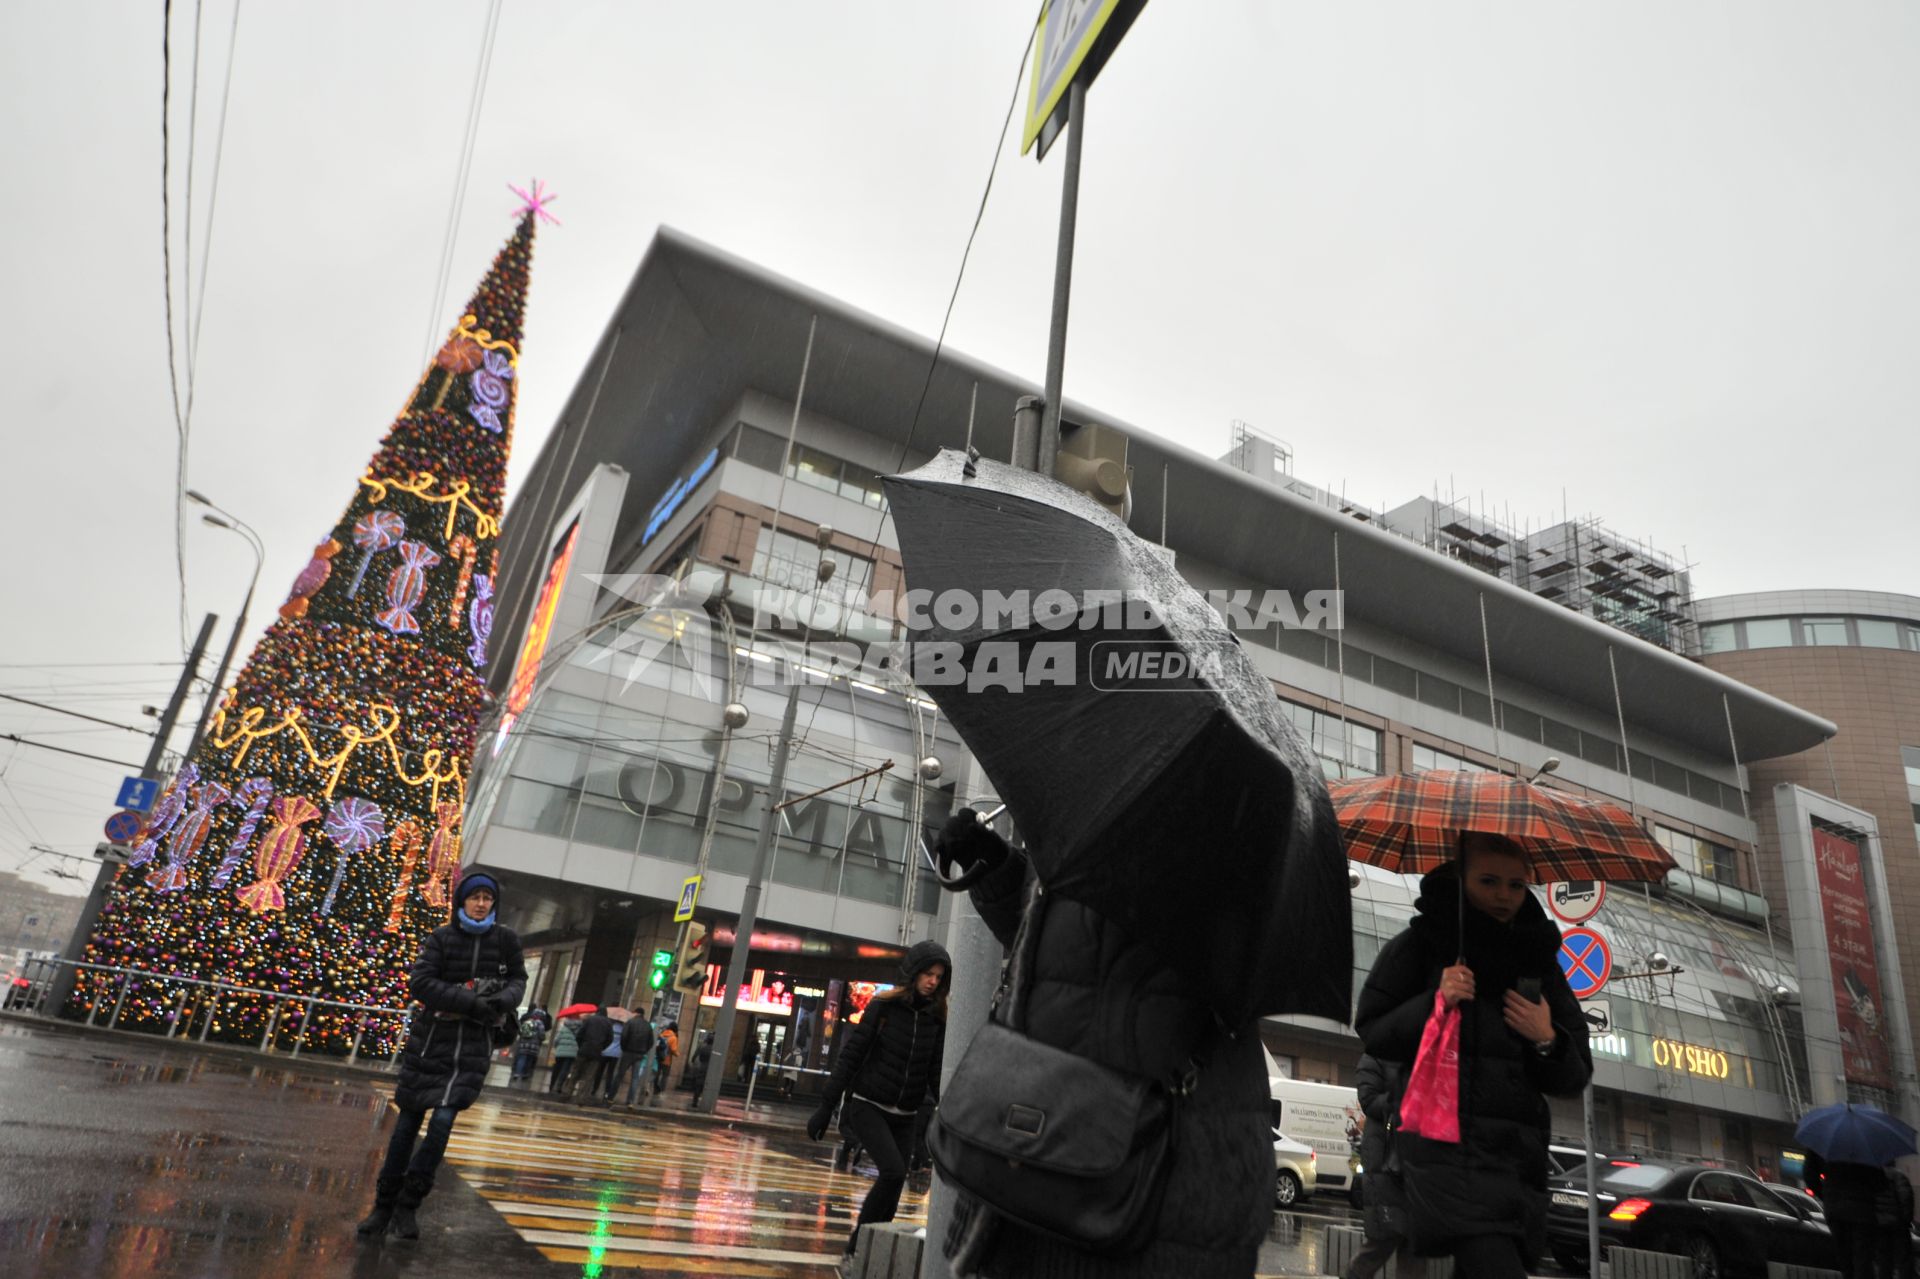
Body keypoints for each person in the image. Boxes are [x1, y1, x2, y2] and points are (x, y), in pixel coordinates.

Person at [931, 811, 1273, 1278]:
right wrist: (994, 865)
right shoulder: (1103, 814)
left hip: (1141, 1178)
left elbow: (1116, 964)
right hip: (1056, 1160)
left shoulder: (1216, 837)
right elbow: (1065, 954)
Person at [1355, 834, 1592, 1278]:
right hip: (1447, 1153)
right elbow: (1374, 1030)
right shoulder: (1423, 943)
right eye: (1489, 881)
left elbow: (1573, 1075)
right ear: (1461, 878)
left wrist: (1546, 1038)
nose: (1504, 895)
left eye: (1516, 885)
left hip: (1518, 1159)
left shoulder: (1538, 958)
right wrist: (1435, 1001)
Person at [356, 872, 525, 1241]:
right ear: (461, 901)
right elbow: (421, 983)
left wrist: (501, 1001)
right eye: (474, 897)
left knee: (443, 1122)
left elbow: (518, 981)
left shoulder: (506, 940)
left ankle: (408, 1206)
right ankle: (383, 1206)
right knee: (406, 1124)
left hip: (471, 1050)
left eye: (487, 898)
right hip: (431, 1043)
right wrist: (471, 1001)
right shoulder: (442, 938)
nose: (481, 904)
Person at [807, 940, 951, 1261]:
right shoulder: (883, 1007)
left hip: (906, 1113)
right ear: (913, 972)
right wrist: (826, 1107)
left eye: (939, 977)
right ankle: (856, 1250)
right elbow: (851, 1057)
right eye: (928, 973)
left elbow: (936, 1072)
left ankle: (872, 1254)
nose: (933, 981)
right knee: (892, 1173)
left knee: (895, 1185)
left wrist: (952, 1112)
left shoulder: (936, 1018)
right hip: (868, 1104)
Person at [1343, 1053, 1426, 1279]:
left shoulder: (1421, 1050)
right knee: (1382, 1240)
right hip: (1387, 1163)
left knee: (1414, 1245)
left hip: (1415, 1163)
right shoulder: (1376, 1056)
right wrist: (1405, 1098)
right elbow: (1369, 1100)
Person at [1808, 1150, 1889, 1279]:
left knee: (1845, 1258)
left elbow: (1809, 1176)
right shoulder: (1866, 1148)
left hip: (1835, 1211)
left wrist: (1827, 1196)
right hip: (1863, 1212)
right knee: (1863, 1259)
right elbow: (1881, 1183)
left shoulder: (1824, 1145)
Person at [566, 1007, 616, 1103]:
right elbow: (610, 1039)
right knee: (589, 1076)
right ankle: (581, 1098)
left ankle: (568, 1093)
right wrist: (602, 1047)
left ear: (597, 1012)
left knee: (576, 1071)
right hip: (596, 1052)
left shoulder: (589, 1020)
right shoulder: (608, 1023)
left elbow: (579, 1034)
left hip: (584, 1049)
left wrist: (581, 1045)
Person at [1875, 1163, 1915, 1279]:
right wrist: (1906, 1220)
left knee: (1884, 1259)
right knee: (1904, 1259)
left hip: (1880, 1225)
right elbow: (1906, 1197)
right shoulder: (1898, 1175)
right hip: (1898, 1224)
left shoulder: (1873, 1178)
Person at [608, 1011, 654, 1109]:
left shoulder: (630, 1022)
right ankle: (630, 1101)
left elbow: (624, 1036)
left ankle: (610, 1097)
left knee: (619, 1075)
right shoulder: (648, 1025)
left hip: (628, 1052)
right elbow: (651, 1042)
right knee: (635, 1078)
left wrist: (624, 1048)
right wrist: (644, 1050)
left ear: (636, 1013)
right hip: (640, 1054)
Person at [510, 1005, 550, 1087]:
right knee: (529, 1060)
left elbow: (521, 1031)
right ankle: (525, 1074)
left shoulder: (527, 1022)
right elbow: (542, 1035)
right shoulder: (540, 1024)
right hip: (534, 1046)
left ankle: (517, 1073)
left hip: (523, 1044)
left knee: (521, 1058)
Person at [548, 1015, 580, 1094]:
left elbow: (556, 1040)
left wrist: (557, 1047)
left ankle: (552, 1085)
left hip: (560, 1052)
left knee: (557, 1069)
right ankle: (559, 1086)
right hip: (571, 1053)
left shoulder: (563, 1028)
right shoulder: (579, 1029)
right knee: (565, 1070)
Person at [654, 1020, 680, 1096]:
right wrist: (677, 1054)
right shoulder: (673, 1038)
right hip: (667, 1059)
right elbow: (673, 1049)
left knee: (657, 1074)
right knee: (665, 1076)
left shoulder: (662, 1034)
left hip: (658, 1057)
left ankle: (655, 1088)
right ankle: (661, 1090)